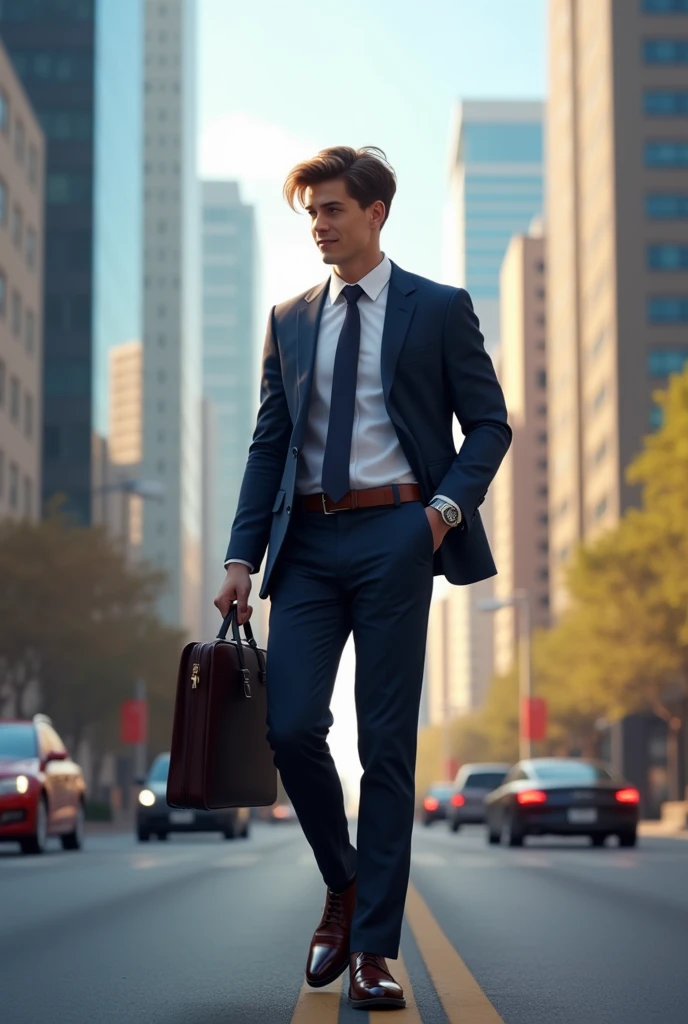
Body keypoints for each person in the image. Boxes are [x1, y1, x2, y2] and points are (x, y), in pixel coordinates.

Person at [215, 146, 511, 1011]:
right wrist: (243, 557)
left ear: (377, 212)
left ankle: (374, 949)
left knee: (386, 747)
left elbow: (488, 426)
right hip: (304, 545)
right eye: (310, 213)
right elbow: (269, 444)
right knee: (291, 727)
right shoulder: (289, 318)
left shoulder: (440, 310)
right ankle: (342, 884)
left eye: (333, 209)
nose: (319, 225)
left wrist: (439, 516)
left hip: (396, 534)